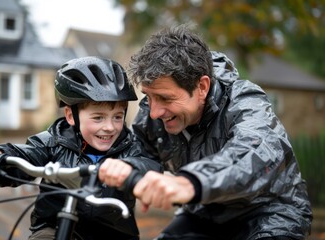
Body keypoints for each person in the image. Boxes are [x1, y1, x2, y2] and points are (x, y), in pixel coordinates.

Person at [125, 25, 313, 240]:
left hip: (267, 212)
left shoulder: (245, 101)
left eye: (166, 98)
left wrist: (190, 182)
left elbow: (255, 150)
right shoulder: (153, 112)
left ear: (202, 87)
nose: (154, 112)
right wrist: (129, 169)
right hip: (205, 212)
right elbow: (139, 151)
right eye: (149, 96)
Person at [0, 56, 161, 240]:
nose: (110, 127)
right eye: (98, 117)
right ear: (70, 116)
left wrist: (131, 169)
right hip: (54, 228)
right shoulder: (53, 141)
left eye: (117, 117)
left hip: (113, 234)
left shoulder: (131, 147)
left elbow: (148, 165)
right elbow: (26, 155)